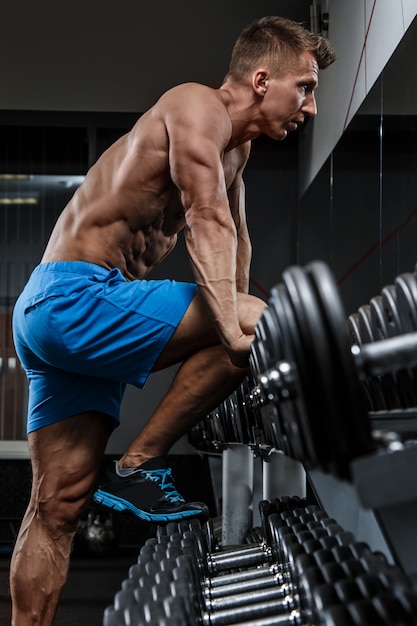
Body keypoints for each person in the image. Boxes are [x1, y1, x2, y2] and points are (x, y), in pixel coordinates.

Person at [9, 15, 335, 626]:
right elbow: (205, 219)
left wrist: (235, 334)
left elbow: (237, 245)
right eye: (306, 88)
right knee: (257, 322)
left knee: (56, 507)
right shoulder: (194, 106)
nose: (310, 107)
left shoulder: (235, 148)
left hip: (58, 314)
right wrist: (241, 332)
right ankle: (142, 463)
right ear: (262, 80)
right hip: (75, 297)